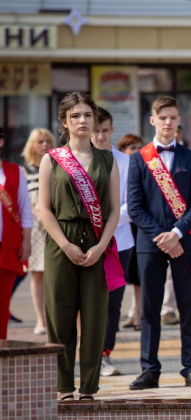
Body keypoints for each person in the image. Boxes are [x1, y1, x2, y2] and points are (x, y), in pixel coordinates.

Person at [128, 96, 191, 390]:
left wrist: (176, 233)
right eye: (162, 117)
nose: (168, 122)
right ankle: (149, 370)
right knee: (149, 309)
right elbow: (135, 207)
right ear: (152, 120)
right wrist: (162, 237)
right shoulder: (139, 158)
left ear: (179, 120)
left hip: (184, 240)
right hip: (150, 242)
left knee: (188, 307)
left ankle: (190, 368)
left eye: (173, 117)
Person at [39, 92, 121, 401]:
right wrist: (65, 244)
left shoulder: (108, 160)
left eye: (87, 114)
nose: (82, 120)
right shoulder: (51, 159)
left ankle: (89, 388)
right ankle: (63, 387)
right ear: (64, 122)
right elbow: (44, 209)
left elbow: (114, 209)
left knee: (95, 315)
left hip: (97, 242)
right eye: (75, 116)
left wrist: (101, 246)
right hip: (61, 242)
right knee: (59, 316)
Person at [93, 107, 135, 377]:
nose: (100, 136)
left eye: (105, 131)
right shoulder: (77, 161)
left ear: (112, 130)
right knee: (86, 301)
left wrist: (108, 223)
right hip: (87, 242)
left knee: (112, 303)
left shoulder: (126, 162)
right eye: (96, 131)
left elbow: (133, 202)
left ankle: (104, 354)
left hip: (120, 242)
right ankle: (87, 354)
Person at [0, 127, 33, 339]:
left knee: (2, 302)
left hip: (7, 245)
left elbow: (25, 209)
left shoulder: (15, 171)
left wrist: (26, 240)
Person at [21, 128, 54, 335]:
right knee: (37, 274)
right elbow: (24, 199)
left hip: (55, 223)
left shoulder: (56, 165)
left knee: (55, 273)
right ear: (32, 146)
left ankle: (54, 318)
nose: (44, 145)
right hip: (35, 226)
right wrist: (38, 215)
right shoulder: (24, 171)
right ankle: (40, 320)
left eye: (47, 141)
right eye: (40, 142)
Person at [116, 134, 144, 331]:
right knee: (118, 276)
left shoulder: (145, 166)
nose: (136, 151)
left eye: (139, 147)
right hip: (120, 225)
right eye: (132, 147)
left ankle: (137, 313)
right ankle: (116, 314)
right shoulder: (117, 166)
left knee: (137, 276)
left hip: (138, 226)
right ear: (122, 150)